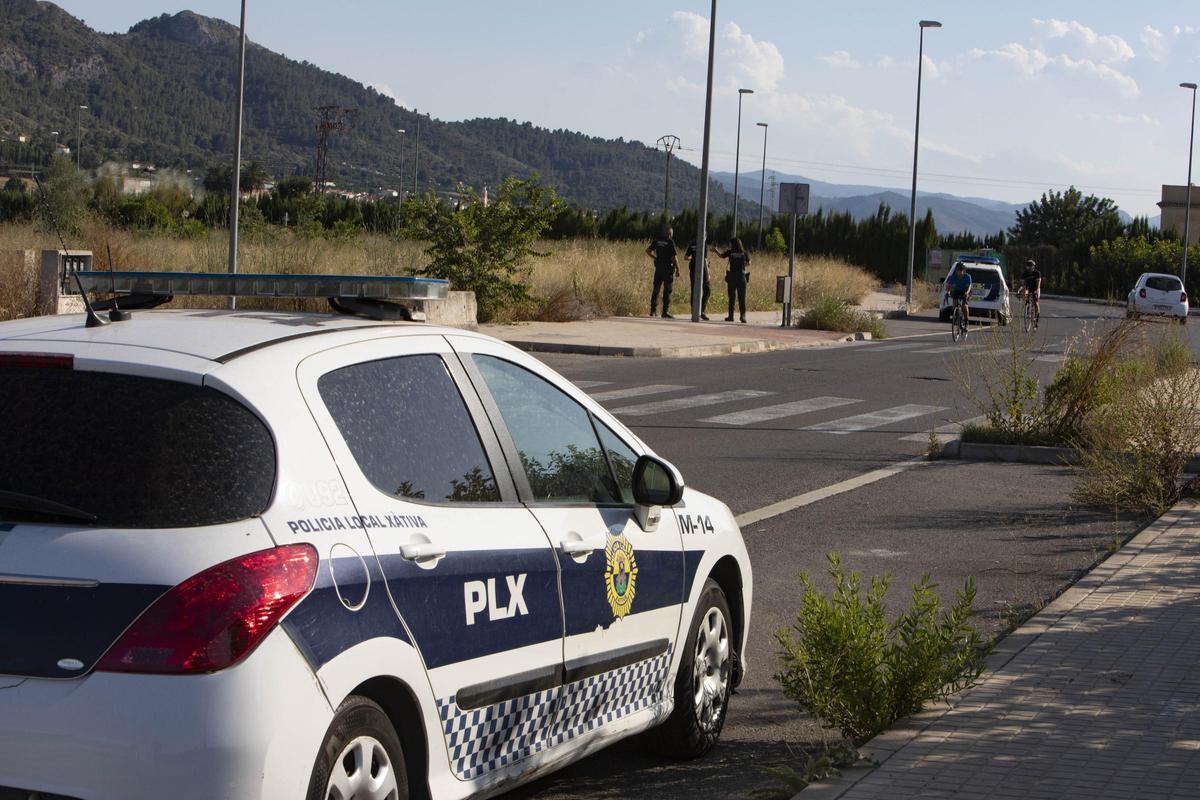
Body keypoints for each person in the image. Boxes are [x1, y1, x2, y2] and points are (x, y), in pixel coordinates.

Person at [712, 238, 751, 322]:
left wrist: (715, 250)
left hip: (732, 276)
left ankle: (731, 316)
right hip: (741, 276)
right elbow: (749, 263)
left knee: (732, 297)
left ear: (733, 244)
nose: (730, 245)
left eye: (731, 243)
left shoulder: (730, 252)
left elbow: (722, 256)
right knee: (742, 298)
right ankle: (743, 316)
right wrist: (742, 265)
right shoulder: (744, 252)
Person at [645, 228, 679, 318]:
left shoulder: (657, 241)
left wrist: (655, 258)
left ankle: (653, 311)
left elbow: (648, 251)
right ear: (670, 234)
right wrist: (678, 269)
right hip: (668, 269)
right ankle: (665, 312)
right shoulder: (670, 242)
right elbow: (674, 258)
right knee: (667, 290)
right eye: (671, 233)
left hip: (659, 268)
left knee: (656, 289)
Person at [684, 240, 712, 320]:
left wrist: (693, 258)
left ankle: (694, 312)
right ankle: (702, 311)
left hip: (693, 270)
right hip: (702, 270)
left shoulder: (692, 244)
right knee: (707, 289)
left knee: (694, 290)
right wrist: (708, 273)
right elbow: (704, 260)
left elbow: (685, 257)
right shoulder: (703, 244)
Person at [1018, 258, 1042, 328]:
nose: (1029, 268)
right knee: (1025, 294)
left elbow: (1038, 284)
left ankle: (1036, 319)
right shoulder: (1024, 274)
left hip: (1035, 287)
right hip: (1028, 287)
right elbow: (1023, 285)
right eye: (1028, 266)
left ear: (1033, 267)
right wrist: (1020, 292)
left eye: (1031, 266)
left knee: (1036, 302)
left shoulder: (1037, 273)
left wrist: (1036, 291)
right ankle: (1027, 306)